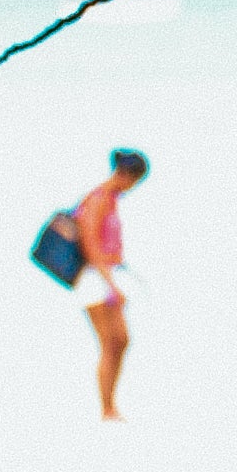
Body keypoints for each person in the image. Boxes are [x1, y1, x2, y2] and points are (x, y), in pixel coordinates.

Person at [73, 148, 148, 419]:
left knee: (121, 341)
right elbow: (91, 244)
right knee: (110, 342)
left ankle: (110, 405)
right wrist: (111, 285)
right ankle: (107, 407)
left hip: (106, 276)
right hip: (95, 278)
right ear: (127, 175)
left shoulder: (110, 200)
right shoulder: (98, 198)